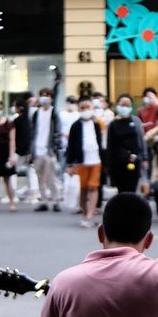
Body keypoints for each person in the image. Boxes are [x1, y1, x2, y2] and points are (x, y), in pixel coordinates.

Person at [66, 96, 103, 228]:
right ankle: (85, 213)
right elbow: (71, 146)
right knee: (83, 189)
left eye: (88, 107)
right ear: (79, 109)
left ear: (92, 107)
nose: (86, 110)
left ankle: (90, 215)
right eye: (82, 108)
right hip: (81, 161)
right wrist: (70, 164)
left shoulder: (97, 124)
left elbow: (100, 142)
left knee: (93, 187)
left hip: (96, 160)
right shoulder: (75, 126)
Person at [106, 94, 146, 193]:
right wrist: (109, 165)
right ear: (117, 106)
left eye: (127, 105)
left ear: (131, 107)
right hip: (117, 162)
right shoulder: (113, 124)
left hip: (133, 161)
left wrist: (144, 158)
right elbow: (110, 145)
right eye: (122, 104)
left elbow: (141, 140)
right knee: (121, 189)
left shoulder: (135, 121)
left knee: (132, 188)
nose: (124, 107)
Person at [31, 87, 62, 212]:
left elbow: (57, 132)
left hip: (49, 150)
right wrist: (31, 150)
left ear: (51, 98)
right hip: (37, 149)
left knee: (51, 177)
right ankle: (43, 200)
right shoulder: (36, 113)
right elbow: (32, 132)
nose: (44, 97)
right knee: (40, 177)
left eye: (47, 95)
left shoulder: (54, 113)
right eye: (42, 95)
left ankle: (56, 200)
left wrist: (56, 148)